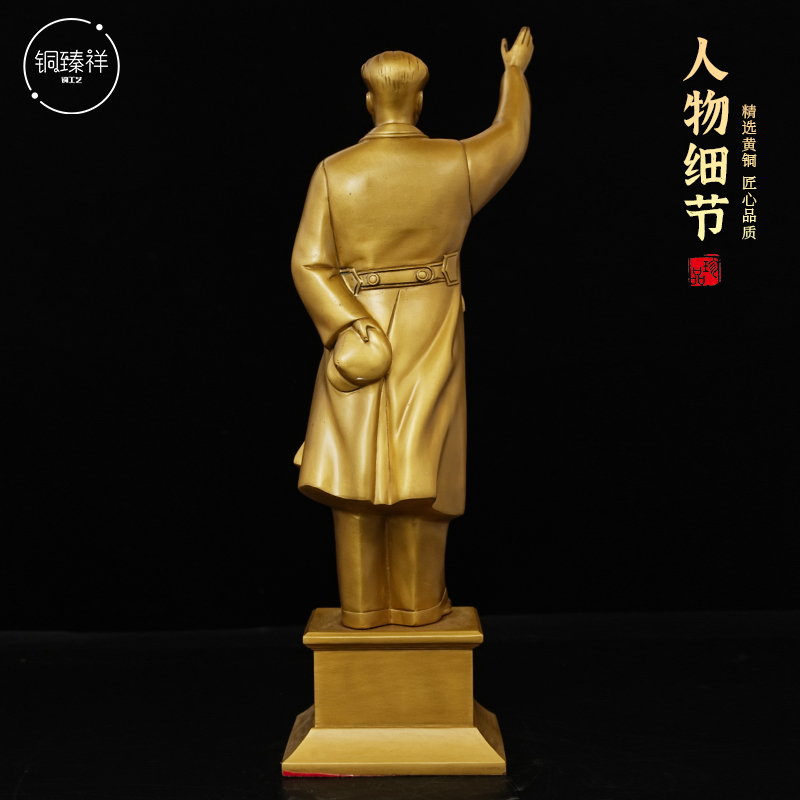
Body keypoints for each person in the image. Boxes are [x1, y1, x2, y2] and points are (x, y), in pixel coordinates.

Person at [291, 28, 533, 629]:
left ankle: (361, 609)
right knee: (424, 469)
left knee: (353, 474)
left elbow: (307, 263)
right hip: (432, 323)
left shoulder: (334, 171)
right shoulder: (458, 163)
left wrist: (349, 324)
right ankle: (420, 606)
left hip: (359, 331)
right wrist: (514, 74)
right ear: (419, 102)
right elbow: (511, 136)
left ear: (369, 102)